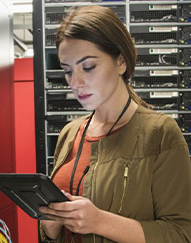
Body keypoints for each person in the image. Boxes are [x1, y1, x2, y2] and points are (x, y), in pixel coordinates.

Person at [39, 5, 191, 243]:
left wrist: (99, 221)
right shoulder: (70, 133)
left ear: (121, 61)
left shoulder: (161, 134)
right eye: (68, 71)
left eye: (88, 67)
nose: (75, 83)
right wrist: (51, 228)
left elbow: (180, 234)